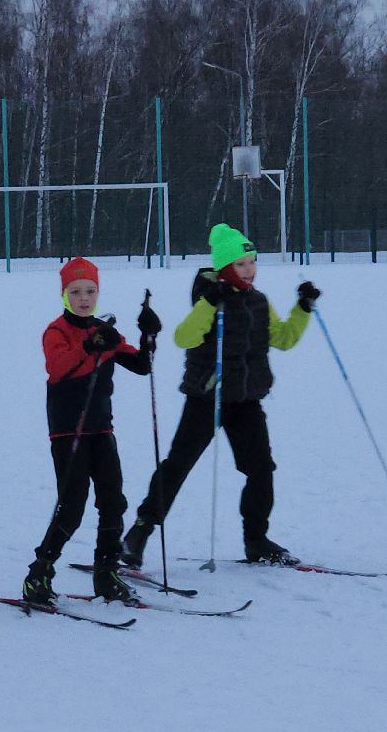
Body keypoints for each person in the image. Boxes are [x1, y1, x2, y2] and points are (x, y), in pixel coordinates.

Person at [121, 223, 321, 568]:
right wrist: (208, 305)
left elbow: (284, 339)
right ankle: (138, 533)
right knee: (178, 466)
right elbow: (184, 338)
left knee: (261, 469)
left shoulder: (258, 302)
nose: (249, 270)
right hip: (207, 398)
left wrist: (302, 308)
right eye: (241, 264)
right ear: (225, 268)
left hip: (246, 401)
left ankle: (256, 540)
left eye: (252, 262)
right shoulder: (209, 298)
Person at [22, 256, 160, 606]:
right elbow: (59, 369)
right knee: (72, 508)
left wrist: (148, 334)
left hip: (101, 429)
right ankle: (39, 575)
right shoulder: (57, 331)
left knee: (113, 502)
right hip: (68, 433)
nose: (84, 298)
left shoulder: (103, 331)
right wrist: (89, 346)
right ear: (64, 293)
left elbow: (141, 365)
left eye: (91, 291)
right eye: (76, 291)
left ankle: (107, 573)